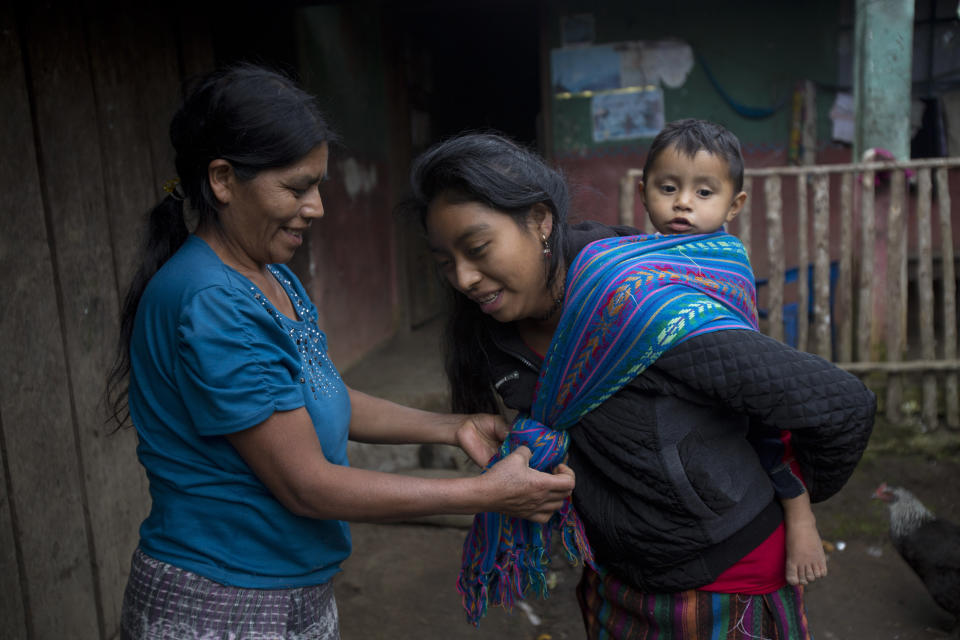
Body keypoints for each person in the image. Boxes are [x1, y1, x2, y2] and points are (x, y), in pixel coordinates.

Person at [105, 64, 575, 640]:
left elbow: (324, 393)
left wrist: (453, 427)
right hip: (222, 602)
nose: (317, 207)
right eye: (298, 187)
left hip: (290, 587)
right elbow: (307, 486)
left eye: (319, 185)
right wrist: (484, 494)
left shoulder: (271, 278)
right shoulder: (211, 301)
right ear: (223, 179)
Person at [405, 130, 876, 638]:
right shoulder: (494, 327)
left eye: (477, 249)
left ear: (541, 221)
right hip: (614, 579)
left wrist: (792, 499)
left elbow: (842, 407)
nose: (465, 278)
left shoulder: (638, 305)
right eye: (444, 262)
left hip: (728, 580)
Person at [638, 118, 828, 589]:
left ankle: (799, 512)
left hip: (729, 383)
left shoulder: (725, 262)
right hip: (663, 397)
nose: (683, 201)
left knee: (766, 424)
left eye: (704, 192)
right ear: (644, 193)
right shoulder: (630, 260)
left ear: (734, 204)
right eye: (668, 187)